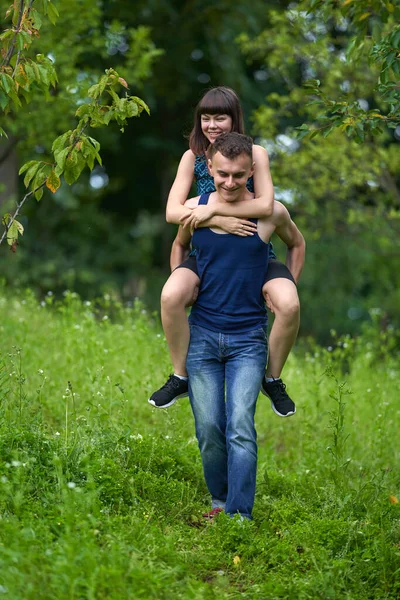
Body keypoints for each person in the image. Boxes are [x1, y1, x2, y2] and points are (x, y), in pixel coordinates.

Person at [148, 87, 301, 416]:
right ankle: (180, 375)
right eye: (206, 118)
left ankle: (272, 379)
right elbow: (173, 213)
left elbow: (265, 204)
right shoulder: (192, 155)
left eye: (220, 117)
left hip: (254, 246)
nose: (212, 125)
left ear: (235, 118)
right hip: (207, 245)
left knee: (289, 304)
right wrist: (214, 217)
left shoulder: (255, 152)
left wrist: (222, 216)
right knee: (171, 295)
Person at [182, 132, 305, 519]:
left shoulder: (269, 213)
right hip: (201, 337)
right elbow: (179, 244)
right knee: (209, 430)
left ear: (252, 171)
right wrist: (183, 280)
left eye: (238, 175)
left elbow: (297, 244)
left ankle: (238, 514)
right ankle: (219, 500)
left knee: (239, 426)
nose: (230, 183)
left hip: (248, 340)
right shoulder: (196, 208)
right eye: (222, 174)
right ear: (211, 170)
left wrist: (285, 283)